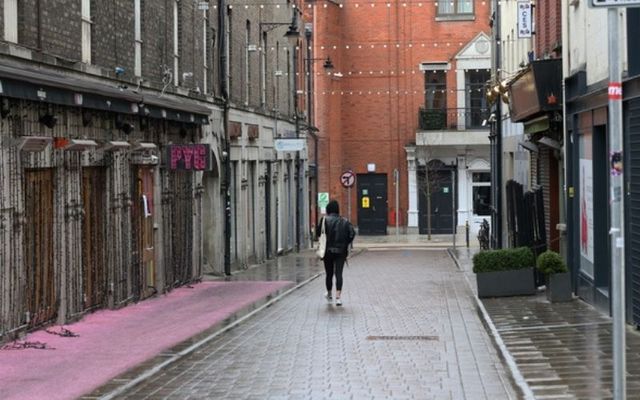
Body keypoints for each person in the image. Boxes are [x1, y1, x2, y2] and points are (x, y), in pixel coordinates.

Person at [316, 200, 355, 306]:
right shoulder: (344, 221)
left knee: (329, 273)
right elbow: (352, 233)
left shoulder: (324, 220)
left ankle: (329, 294)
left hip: (327, 251)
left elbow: (318, 232)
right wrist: (345, 243)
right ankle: (338, 297)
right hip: (340, 252)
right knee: (339, 273)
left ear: (328, 210)